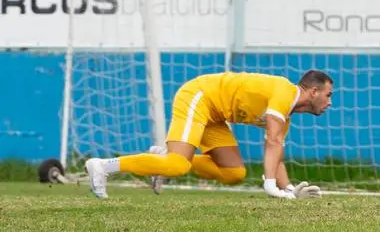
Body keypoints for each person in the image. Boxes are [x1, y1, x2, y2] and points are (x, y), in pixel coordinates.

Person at [84, 70, 334, 199]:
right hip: (199, 97)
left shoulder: (286, 116)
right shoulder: (284, 92)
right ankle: (104, 166)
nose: (330, 102)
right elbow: (272, 141)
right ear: (313, 92)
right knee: (178, 165)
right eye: (328, 95)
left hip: (215, 115)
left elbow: (276, 154)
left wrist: (289, 189)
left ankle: (160, 159)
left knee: (234, 173)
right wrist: (270, 186)